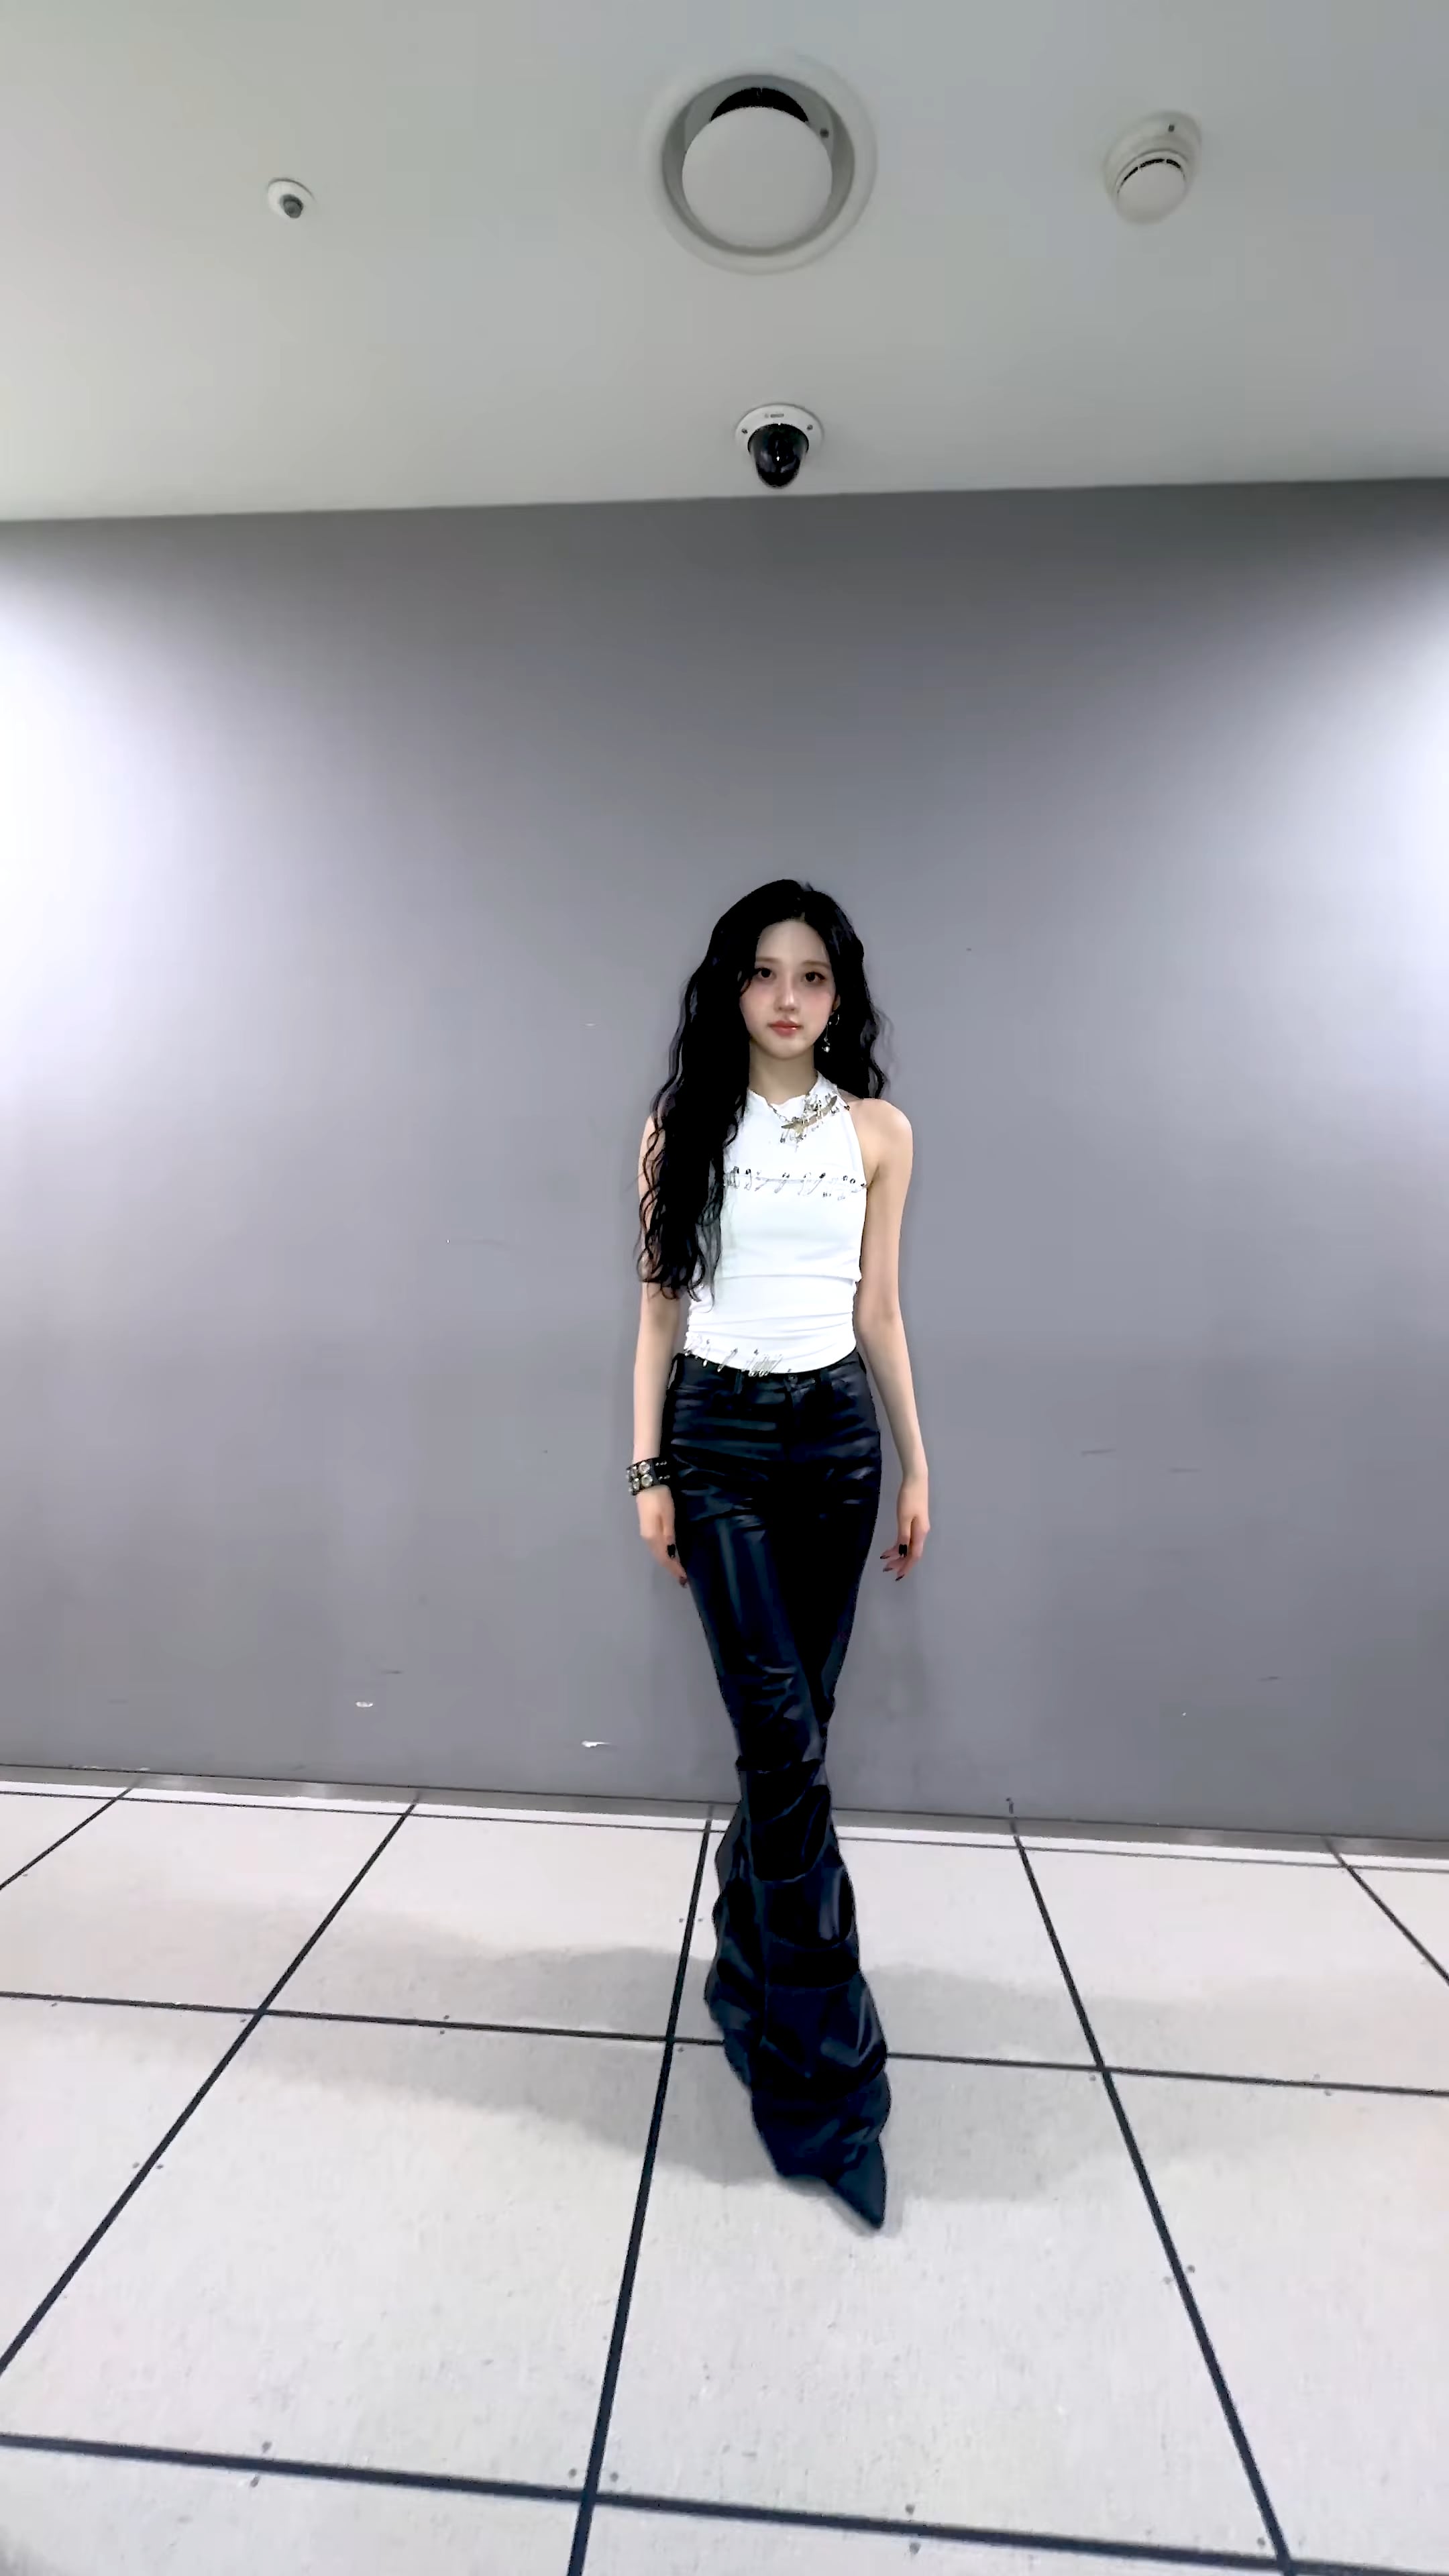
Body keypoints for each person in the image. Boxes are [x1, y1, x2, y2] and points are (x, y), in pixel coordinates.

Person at [630, 880, 928, 2230]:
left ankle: (750, 1965)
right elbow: (658, 1313)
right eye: (765, 972)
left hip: (839, 1450)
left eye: (812, 974)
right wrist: (648, 1472)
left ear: (838, 993)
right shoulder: (681, 1128)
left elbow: (881, 1310)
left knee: (801, 1729)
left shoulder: (879, 1132)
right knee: (786, 1753)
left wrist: (915, 1463)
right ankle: (826, 2087)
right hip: (720, 1444)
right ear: (732, 989)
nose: (789, 996)